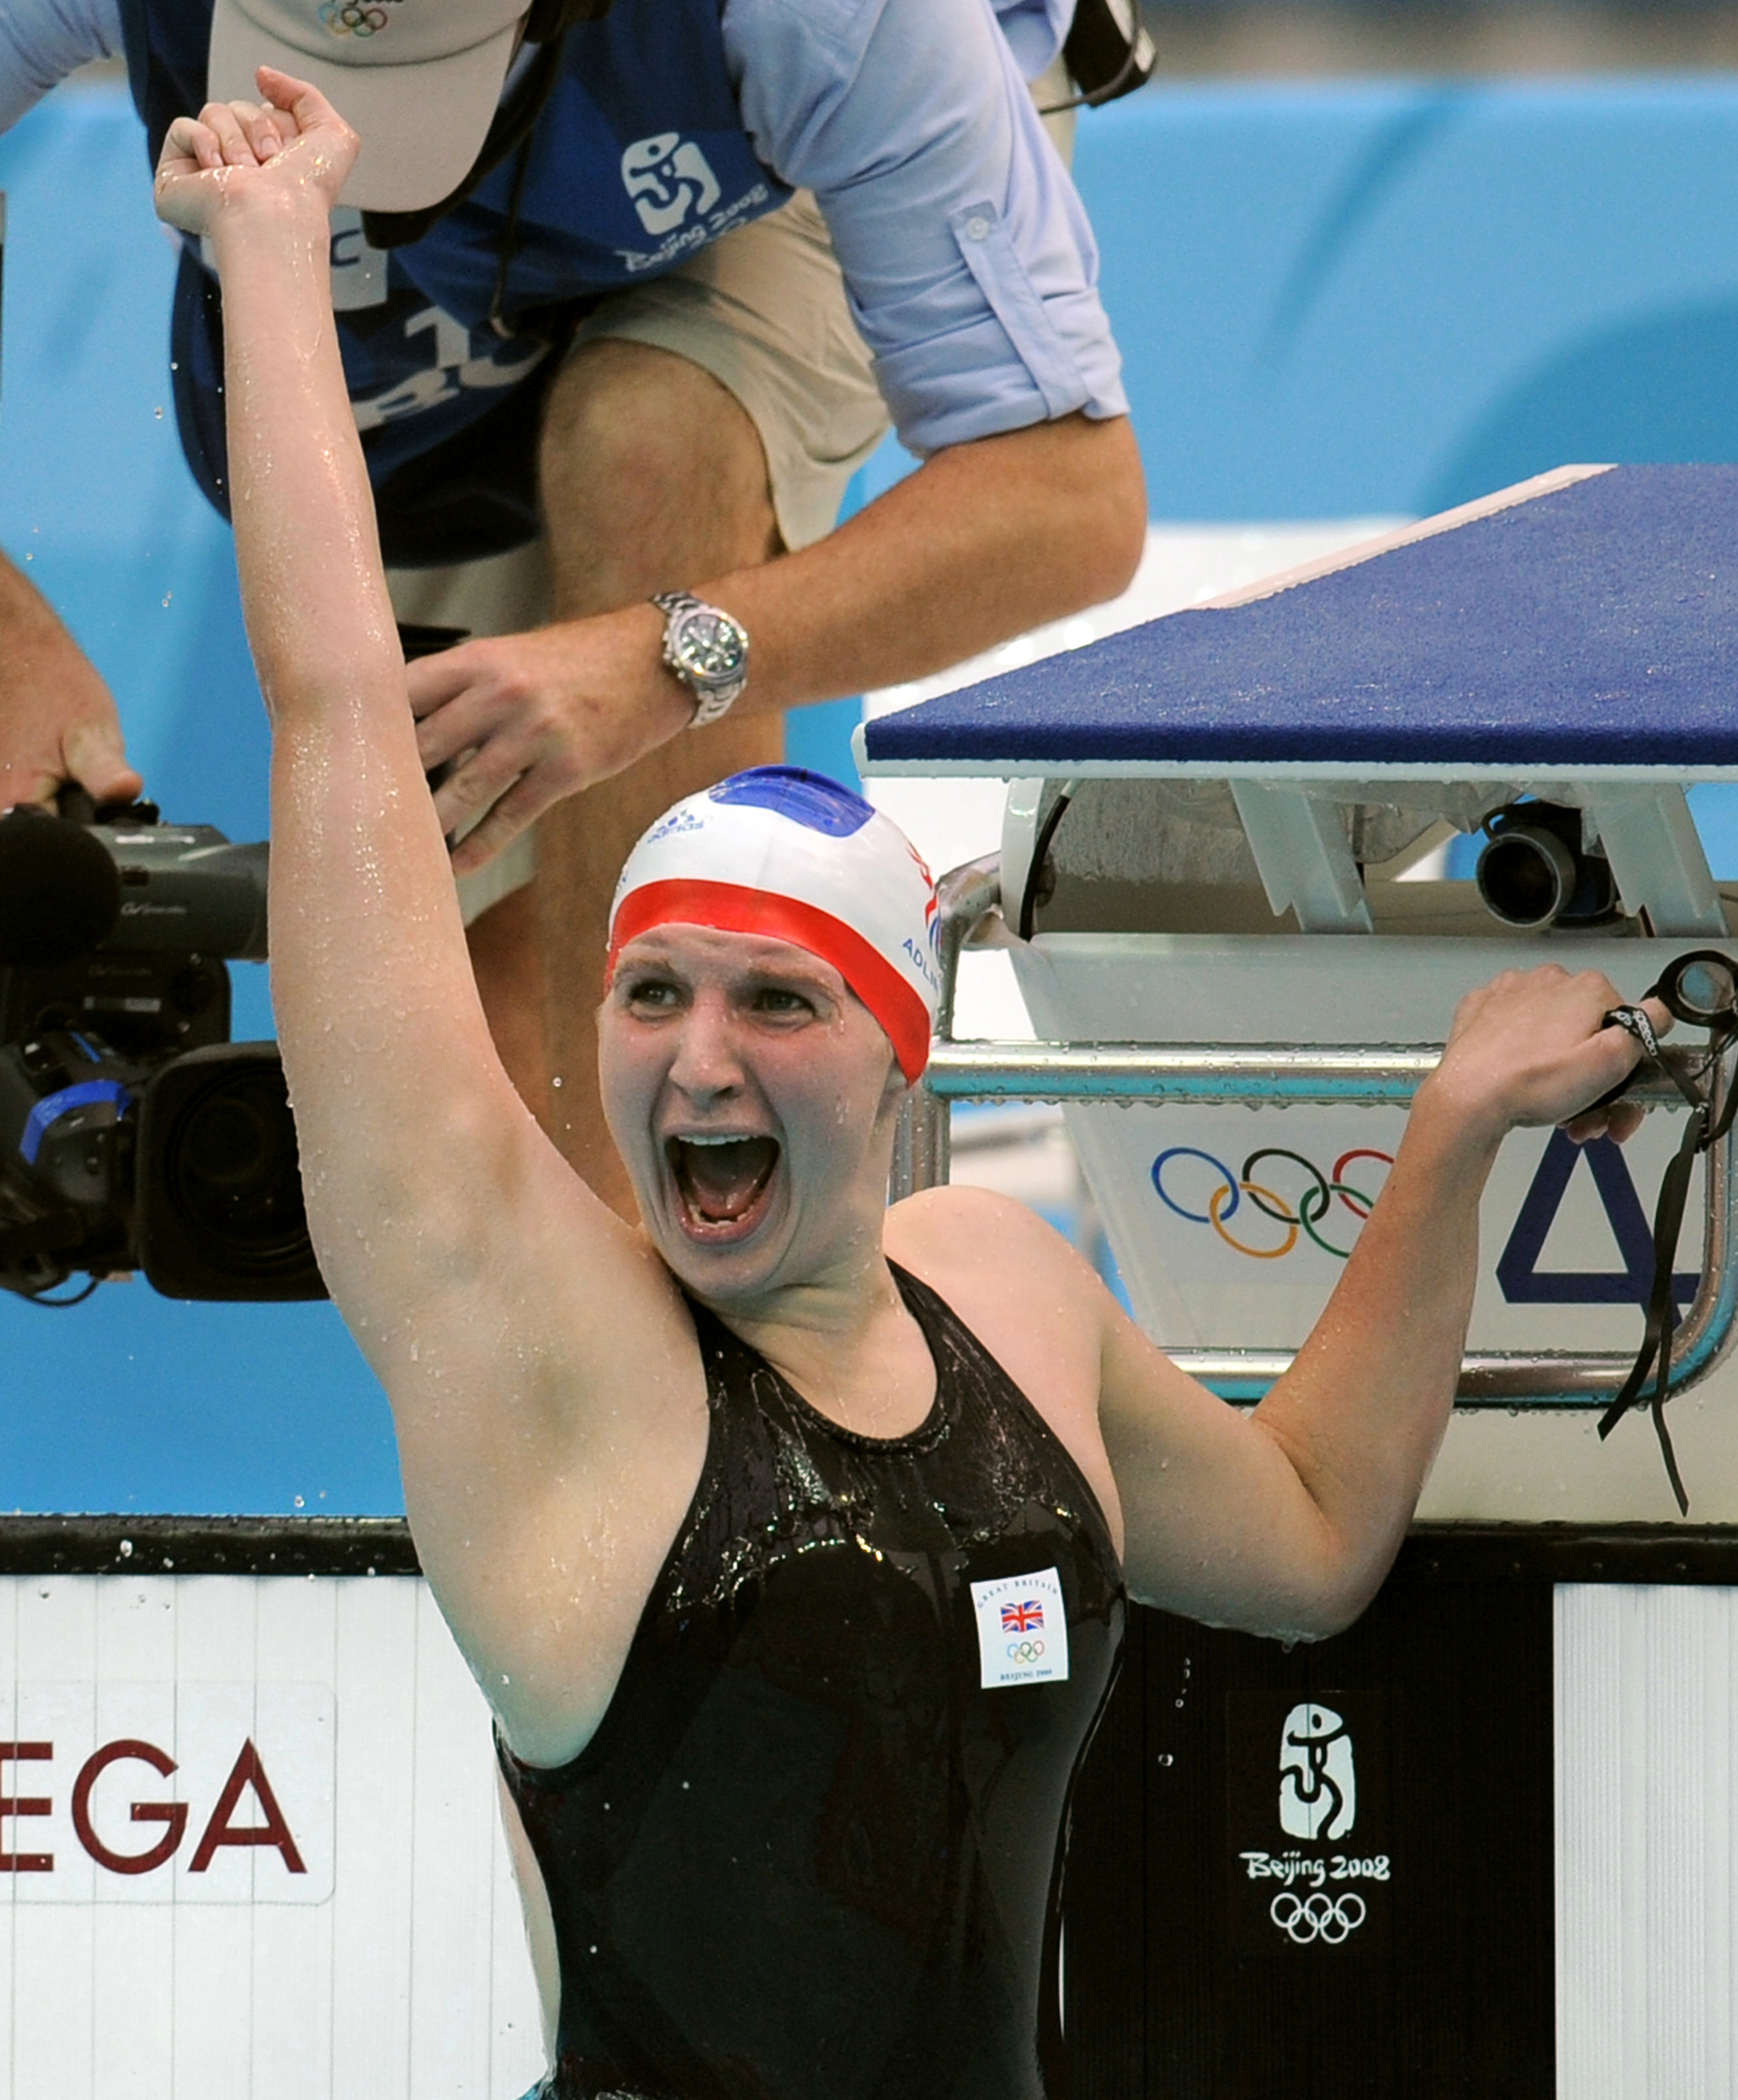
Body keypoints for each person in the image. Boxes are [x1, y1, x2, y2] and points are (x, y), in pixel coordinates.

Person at [155, 74, 1666, 2100]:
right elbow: (338, 717)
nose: (694, 1054)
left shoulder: (1013, 1303)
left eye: (772, 1000)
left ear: (897, 1061)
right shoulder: (550, 1367)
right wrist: (273, 250)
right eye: (650, 991)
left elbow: (1311, 1538)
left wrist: (1454, 1129)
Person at [0, 0, 1144, 1212]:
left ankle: (688, 1347)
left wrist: (658, 665)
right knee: (481, 1051)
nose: (347, 147)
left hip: (765, 121)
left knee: (652, 434)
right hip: (510, 235)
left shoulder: (845, 16)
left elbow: (1065, 495)